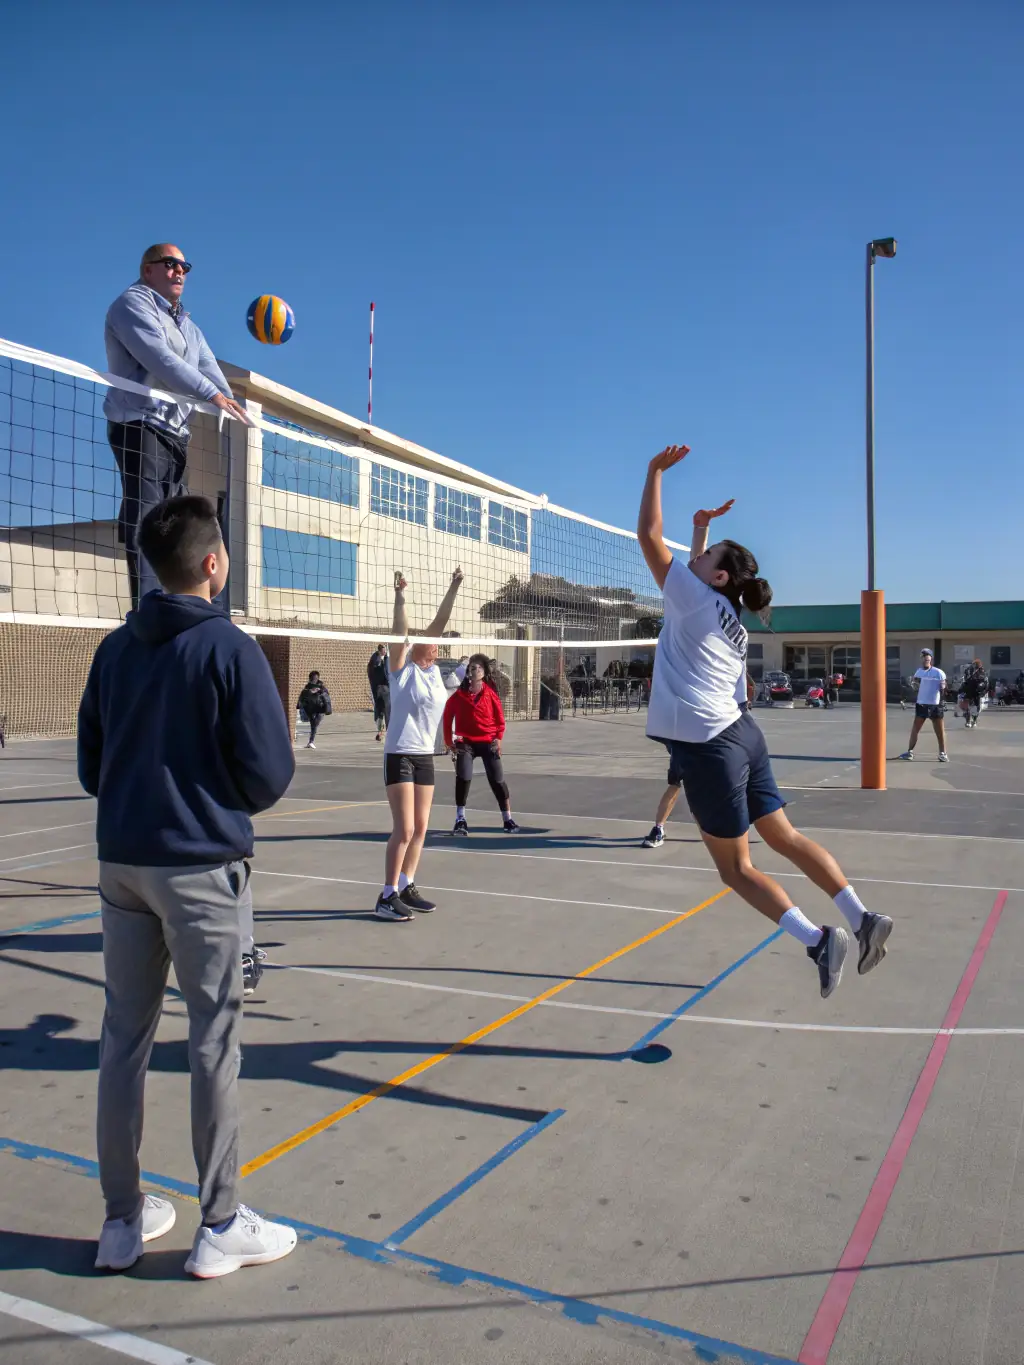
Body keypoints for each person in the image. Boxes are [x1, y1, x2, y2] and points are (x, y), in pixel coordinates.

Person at [77, 494, 297, 1278]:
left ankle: (121, 1220)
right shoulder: (227, 647)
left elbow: (88, 765)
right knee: (213, 1044)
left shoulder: (114, 648)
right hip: (200, 868)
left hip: (122, 863)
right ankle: (220, 1223)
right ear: (213, 563)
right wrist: (212, 797)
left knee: (122, 1041)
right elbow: (271, 773)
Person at [638, 445, 892, 999]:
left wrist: (655, 473)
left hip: (710, 746)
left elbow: (650, 540)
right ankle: (863, 917)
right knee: (785, 836)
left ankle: (817, 940)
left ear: (720, 574)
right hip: (744, 735)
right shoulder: (729, 616)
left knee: (737, 869)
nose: (692, 560)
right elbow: (697, 573)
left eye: (703, 558)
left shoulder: (696, 601)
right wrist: (702, 529)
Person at [104, 244, 249, 609]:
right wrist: (211, 395)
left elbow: (211, 373)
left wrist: (226, 401)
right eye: (170, 264)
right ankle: (148, 605)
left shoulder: (189, 326)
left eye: (184, 266)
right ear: (148, 269)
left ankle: (180, 601)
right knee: (147, 515)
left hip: (176, 434)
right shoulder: (131, 304)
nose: (179, 271)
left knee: (178, 523)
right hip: (139, 424)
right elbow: (161, 359)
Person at [376, 567, 464, 921]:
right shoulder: (402, 669)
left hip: (424, 755)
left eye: (435, 640)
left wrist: (454, 587)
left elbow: (441, 620)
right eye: (429, 639)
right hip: (399, 753)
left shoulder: (434, 676)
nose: (435, 641)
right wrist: (400, 596)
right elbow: (402, 631)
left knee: (423, 827)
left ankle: (407, 884)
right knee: (406, 828)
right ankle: (386, 894)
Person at [443, 654, 520, 834]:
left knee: (498, 780)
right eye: (471, 667)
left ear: (484, 672)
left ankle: (507, 819)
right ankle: (460, 819)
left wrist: (498, 739)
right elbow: (447, 718)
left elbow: (500, 721)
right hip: (466, 741)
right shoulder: (459, 695)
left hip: (487, 741)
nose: (473, 670)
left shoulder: (490, 694)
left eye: (477, 667)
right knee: (463, 776)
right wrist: (449, 742)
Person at [899, 649, 949, 762]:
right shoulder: (918, 672)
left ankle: (943, 754)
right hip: (921, 704)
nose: (926, 659)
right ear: (921, 659)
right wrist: (912, 688)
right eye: (924, 657)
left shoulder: (939, 673)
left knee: (940, 731)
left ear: (931, 659)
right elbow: (916, 687)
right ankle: (909, 752)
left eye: (928, 657)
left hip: (935, 705)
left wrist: (941, 702)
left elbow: (944, 689)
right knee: (915, 729)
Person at [297, 670, 332, 750]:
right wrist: (310, 692)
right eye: (312, 678)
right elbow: (303, 696)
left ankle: (311, 741)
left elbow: (327, 696)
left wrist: (320, 691)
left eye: (315, 677)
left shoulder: (322, 686)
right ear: (310, 678)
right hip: (310, 708)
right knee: (313, 724)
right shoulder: (307, 687)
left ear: (318, 678)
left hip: (320, 709)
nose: (314, 679)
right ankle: (311, 742)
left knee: (315, 724)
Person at [367, 644, 391, 741]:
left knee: (381, 711)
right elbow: (386, 673)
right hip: (383, 689)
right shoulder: (379, 661)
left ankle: (381, 732)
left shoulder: (377, 661)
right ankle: (383, 732)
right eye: (383, 650)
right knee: (385, 710)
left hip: (379, 689)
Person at [961, 658, 987, 728]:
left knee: (976, 708)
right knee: (967, 707)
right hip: (968, 690)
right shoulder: (968, 671)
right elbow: (964, 680)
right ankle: (968, 721)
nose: (974, 666)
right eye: (974, 664)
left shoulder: (982, 671)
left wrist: (982, 689)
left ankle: (974, 720)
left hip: (977, 692)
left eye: (976, 664)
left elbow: (985, 682)